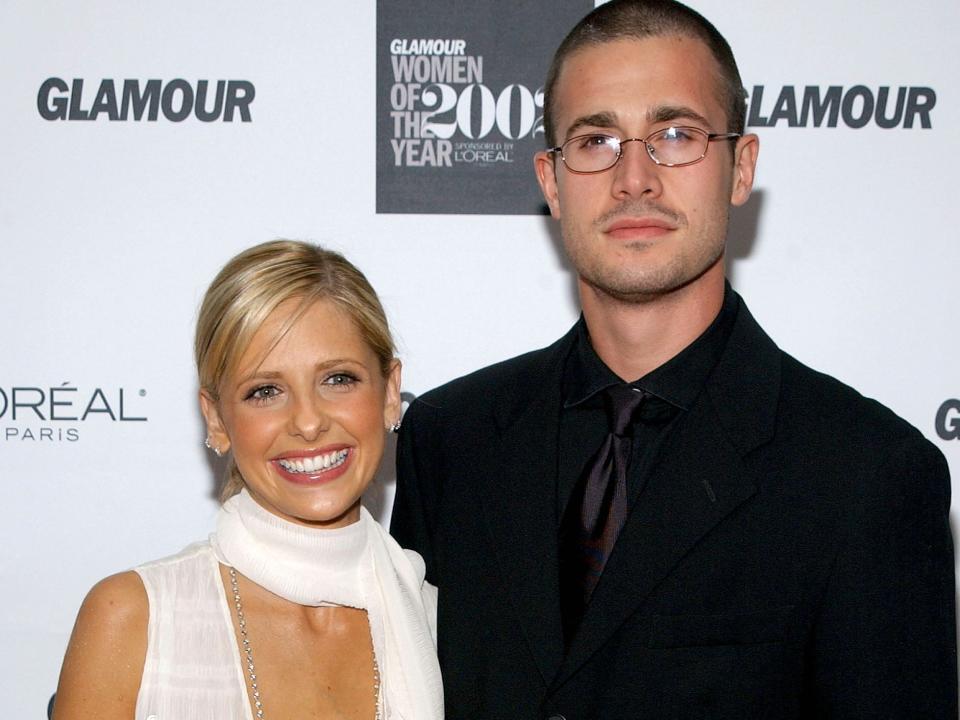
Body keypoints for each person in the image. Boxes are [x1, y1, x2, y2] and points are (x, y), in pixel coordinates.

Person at [390, 1, 957, 718]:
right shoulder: (450, 440)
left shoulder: (866, 473)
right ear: (550, 180)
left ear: (741, 167)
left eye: (675, 134)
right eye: (596, 140)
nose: (635, 178)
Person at [53, 240, 443, 720]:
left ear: (388, 393)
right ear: (216, 419)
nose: (307, 421)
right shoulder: (138, 618)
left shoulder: (441, 623)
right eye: (265, 391)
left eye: (338, 379)